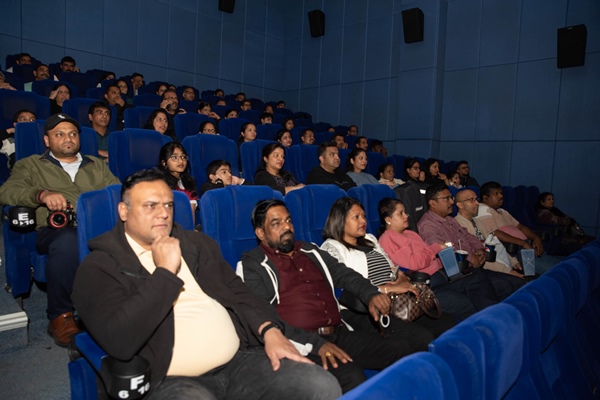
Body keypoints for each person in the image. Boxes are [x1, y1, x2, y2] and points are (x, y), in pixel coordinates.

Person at [72, 170, 341, 399]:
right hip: (171, 380)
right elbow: (119, 341)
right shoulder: (99, 267)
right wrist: (165, 273)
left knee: (321, 385)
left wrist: (269, 330)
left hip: (238, 361)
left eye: (168, 205)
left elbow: (239, 292)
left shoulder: (197, 244)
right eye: (151, 206)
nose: (163, 214)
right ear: (124, 211)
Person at [237, 199, 407, 393]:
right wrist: (316, 344)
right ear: (260, 233)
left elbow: (344, 274)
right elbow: (260, 315)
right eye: (276, 223)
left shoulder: (309, 250)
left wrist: (370, 294)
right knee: (351, 376)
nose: (287, 227)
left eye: (288, 220)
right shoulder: (253, 265)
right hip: (300, 343)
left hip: (338, 333)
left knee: (400, 349)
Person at [0, 113, 120, 346]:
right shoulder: (31, 164)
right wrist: (41, 195)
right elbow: (6, 192)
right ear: (47, 140)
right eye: (60, 134)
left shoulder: (96, 165)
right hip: (56, 230)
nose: (68, 138)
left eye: (73, 134)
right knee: (67, 241)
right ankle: (60, 316)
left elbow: (118, 192)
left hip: (97, 227)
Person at [321, 197, 456, 336]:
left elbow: (392, 267)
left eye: (364, 216)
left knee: (447, 322)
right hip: (370, 304)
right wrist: (388, 289)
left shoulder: (370, 239)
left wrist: (401, 278)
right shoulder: (331, 247)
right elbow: (345, 287)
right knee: (422, 336)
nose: (363, 221)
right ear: (340, 220)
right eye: (356, 217)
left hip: (397, 299)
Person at [377, 197, 501, 320]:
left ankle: (495, 316)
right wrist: (436, 248)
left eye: (405, 212)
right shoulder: (388, 239)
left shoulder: (409, 233)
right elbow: (415, 263)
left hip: (441, 275)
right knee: (466, 303)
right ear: (388, 219)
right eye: (400, 213)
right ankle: (489, 322)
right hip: (426, 286)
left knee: (477, 276)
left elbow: (427, 254)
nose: (406, 216)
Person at [417, 184, 526, 298]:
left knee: (517, 283)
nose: (452, 202)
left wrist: (480, 250)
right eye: (446, 199)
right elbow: (441, 250)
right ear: (433, 203)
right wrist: (470, 257)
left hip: (473, 268)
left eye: (451, 198)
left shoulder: (449, 220)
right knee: (506, 286)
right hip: (459, 274)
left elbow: (469, 237)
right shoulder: (428, 224)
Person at [476, 182, 560, 273]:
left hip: (526, 246)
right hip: (514, 250)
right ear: (485, 198)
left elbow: (520, 227)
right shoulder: (483, 209)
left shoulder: (502, 211)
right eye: (496, 193)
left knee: (560, 265)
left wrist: (536, 238)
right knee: (555, 271)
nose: (501, 196)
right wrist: (523, 243)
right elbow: (494, 233)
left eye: (501, 193)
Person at [454, 189, 525, 277]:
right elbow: (478, 257)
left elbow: (493, 244)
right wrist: (507, 271)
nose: (477, 203)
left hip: (496, 263)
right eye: (471, 200)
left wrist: (513, 262)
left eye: (476, 199)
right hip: (481, 269)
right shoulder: (457, 225)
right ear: (460, 204)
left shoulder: (477, 221)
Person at [158, 142, 198, 215]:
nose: (181, 161)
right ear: (164, 163)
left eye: (183, 157)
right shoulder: (159, 184)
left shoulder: (188, 183)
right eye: (174, 157)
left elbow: (191, 215)